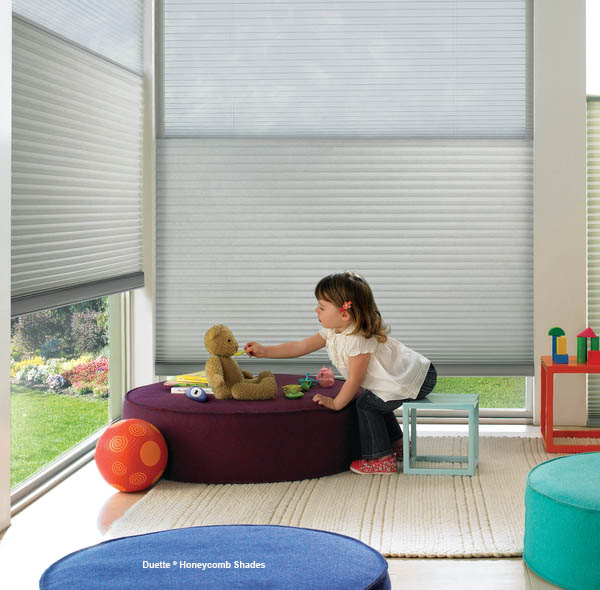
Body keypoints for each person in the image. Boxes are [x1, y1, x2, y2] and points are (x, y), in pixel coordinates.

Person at [245, 270, 437, 475]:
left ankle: (382, 459)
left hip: (416, 377)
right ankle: (397, 444)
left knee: (366, 403)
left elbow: (356, 379)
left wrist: (336, 403)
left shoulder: (358, 338)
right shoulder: (332, 331)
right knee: (373, 398)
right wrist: (265, 351)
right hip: (400, 377)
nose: (316, 311)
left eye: (321, 307)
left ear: (344, 314)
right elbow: (300, 346)